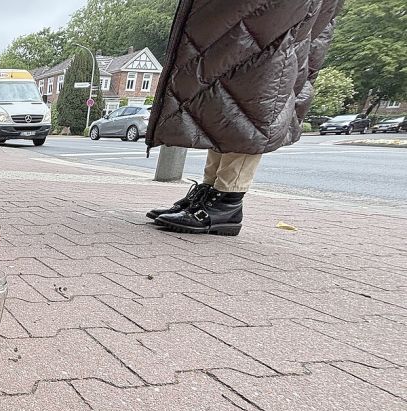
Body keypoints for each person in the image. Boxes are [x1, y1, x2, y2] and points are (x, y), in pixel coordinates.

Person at [145, 0, 342, 236]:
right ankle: (209, 191)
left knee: (252, 101)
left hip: (278, 18)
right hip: (263, 16)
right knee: (223, 100)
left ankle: (227, 200)